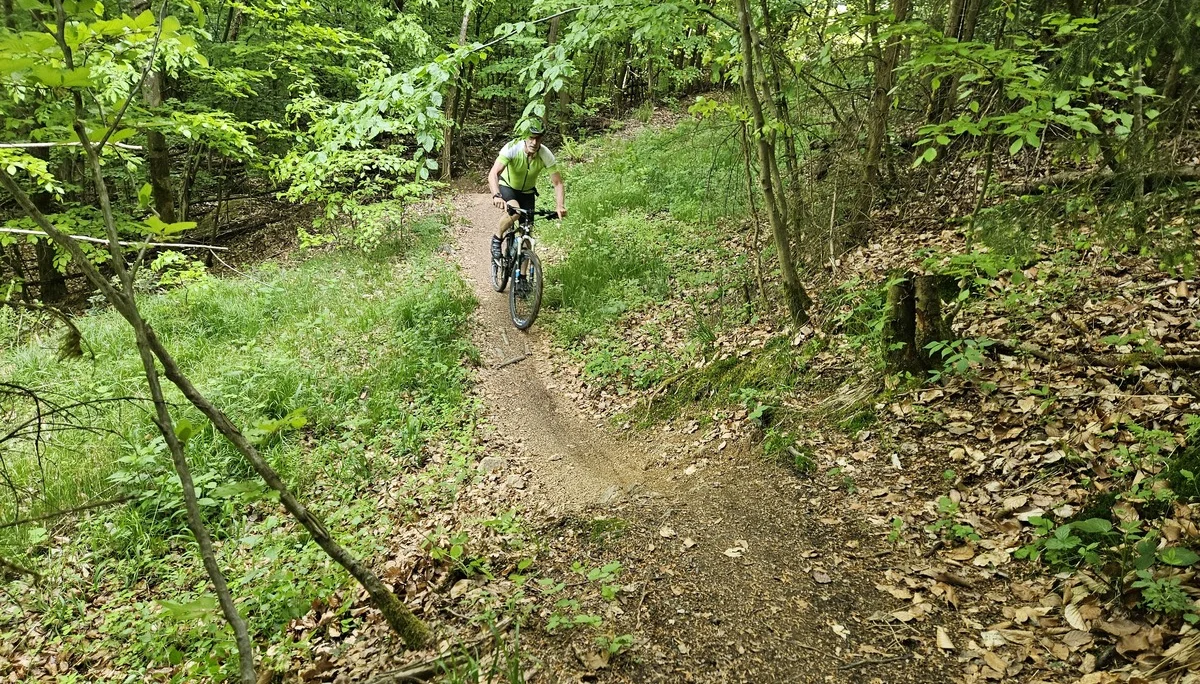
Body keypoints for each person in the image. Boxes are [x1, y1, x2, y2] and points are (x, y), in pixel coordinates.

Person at [487, 122, 566, 261]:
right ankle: (497, 237)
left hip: (528, 193)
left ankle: (522, 278)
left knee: (527, 234)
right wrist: (496, 196)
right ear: (525, 136)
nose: (534, 142)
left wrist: (560, 206)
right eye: (531, 137)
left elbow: (558, 182)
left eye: (538, 139)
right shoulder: (512, 147)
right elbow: (493, 173)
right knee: (516, 211)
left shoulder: (545, 154)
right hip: (508, 187)